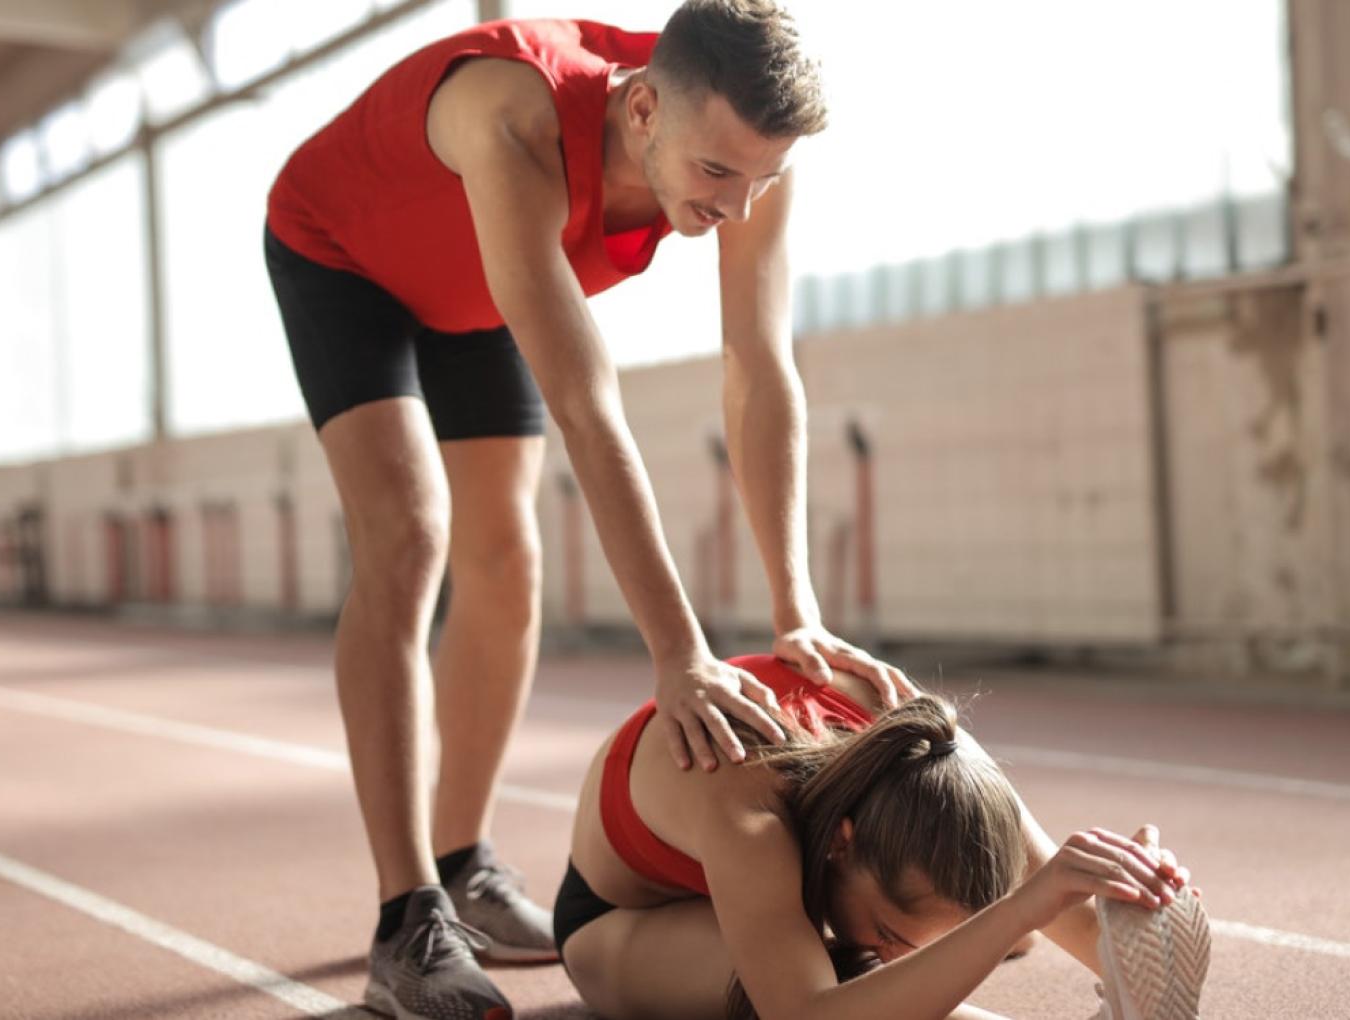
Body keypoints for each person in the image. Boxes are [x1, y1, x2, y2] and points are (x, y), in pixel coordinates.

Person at [262, 3, 913, 1016]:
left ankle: (465, 858)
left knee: (508, 558)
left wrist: (797, 611)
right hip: (344, 256)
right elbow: (583, 401)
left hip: (476, 286)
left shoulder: (744, 146)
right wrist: (679, 653)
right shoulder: (510, 114)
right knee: (411, 536)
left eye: (763, 182)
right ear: (643, 109)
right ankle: (408, 917)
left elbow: (759, 365)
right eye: (715, 178)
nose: (738, 209)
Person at [555, 654, 1213, 1020]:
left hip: (801, 883)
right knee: (848, 982)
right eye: (889, 932)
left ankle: (936, 935)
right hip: (621, 922)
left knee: (981, 923)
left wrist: (1129, 912)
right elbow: (806, 1016)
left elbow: (1044, 880)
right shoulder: (748, 811)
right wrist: (1019, 909)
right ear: (840, 843)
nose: (894, 952)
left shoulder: (930, 753)